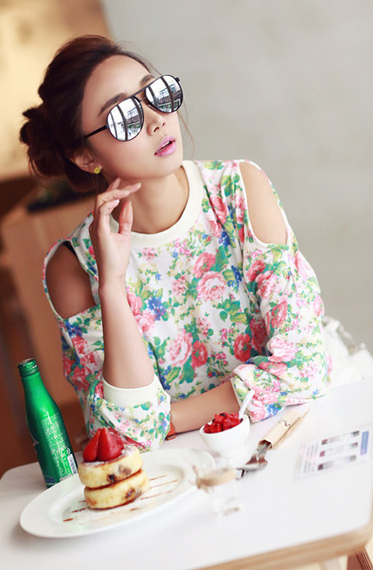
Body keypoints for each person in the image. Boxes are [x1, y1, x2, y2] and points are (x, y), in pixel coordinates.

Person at [20, 34, 328, 450]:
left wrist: (169, 420)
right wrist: (112, 287)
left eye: (155, 94)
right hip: (180, 469)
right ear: (86, 156)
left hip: (290, 432)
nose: (156, 120)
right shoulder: (73, 265)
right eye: (124, 116)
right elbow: (125, 435)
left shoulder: (238, 190)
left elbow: (304, 365)